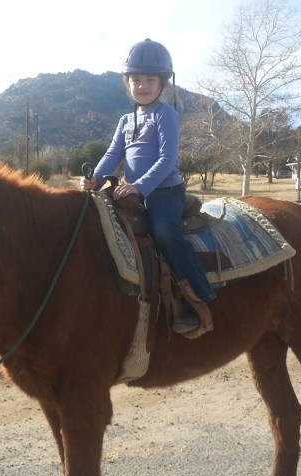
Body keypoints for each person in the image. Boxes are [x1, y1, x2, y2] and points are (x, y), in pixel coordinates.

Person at [82, 38, 215, 338]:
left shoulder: (166, 115)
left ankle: (199, 296)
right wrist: (95, 178)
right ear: (127, 83)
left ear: (162, 83)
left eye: (150, 80)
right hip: (134, 191)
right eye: (136, 80)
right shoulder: (125, 121)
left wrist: (138, 187)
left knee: (165, 232)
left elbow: (168, 160)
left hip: (164, 192)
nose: (142, 86)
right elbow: (113, 154)